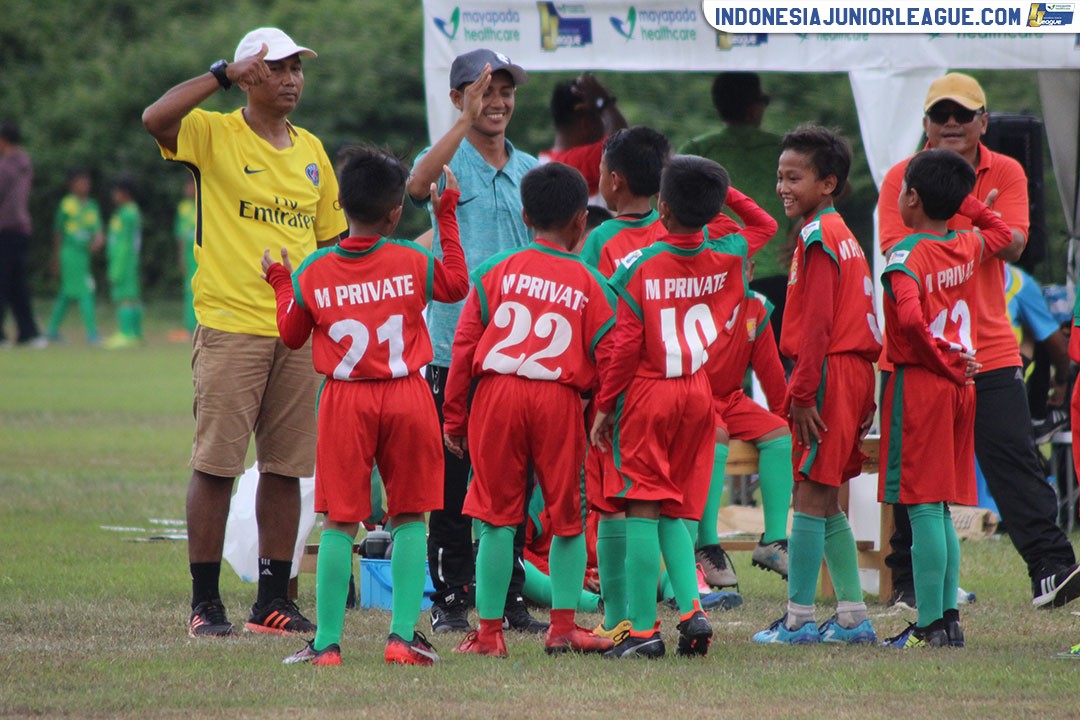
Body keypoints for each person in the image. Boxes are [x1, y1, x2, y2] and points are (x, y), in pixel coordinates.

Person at [142, 26, 348, 638]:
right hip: (231, 325)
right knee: (217, 465)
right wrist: (220, 74)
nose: (290, 79)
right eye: (278, 67)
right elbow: (155, 118)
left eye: (297, 69)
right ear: (251, 74)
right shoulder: (215, 131)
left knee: (286, 469)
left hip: (297, 332)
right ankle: (205, 603)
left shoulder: (312, 150)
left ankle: (270, 600)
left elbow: (333, 243)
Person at [877, 72, 1080, 610]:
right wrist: (971, 217)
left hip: (982, 350)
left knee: (1011, 458)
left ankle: (1052, 568)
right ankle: (909, 585)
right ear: (923, 123)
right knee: (915, 481)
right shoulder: (900, 175)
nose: (950, 123)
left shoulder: (1006, 169)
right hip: (925, 356)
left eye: (962, 114)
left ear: (983, 122)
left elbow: (1011, 247)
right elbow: (906, 248)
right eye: (940, 114)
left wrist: (956, 208)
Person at [266, 146, 468, 667]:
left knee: (338, 520)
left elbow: (290, 334)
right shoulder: (411, 258)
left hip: (345, 399)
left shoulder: (314, 270)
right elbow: (456, 285)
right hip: (407, 395)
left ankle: (327, 643)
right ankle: (402, 636)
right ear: (396, 212)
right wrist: (445, 216)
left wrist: (279, 282)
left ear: (339, 202)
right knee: (408, 516)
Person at [442, 163, 616, 658]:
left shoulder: (494, 271)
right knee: (566, 518)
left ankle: (490, 634)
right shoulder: (589, 281)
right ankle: (562, 627)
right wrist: (602, 409)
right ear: (582, 222)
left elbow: (463, 349)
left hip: (497, 395)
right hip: (558, 399)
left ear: (524, 215)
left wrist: (455, 417)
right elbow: (611, 353)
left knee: (496, 518)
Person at [406, 48, 545, 635]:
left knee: (511, 482)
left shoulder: (531, 169)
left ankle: (509, 597)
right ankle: (453, 599)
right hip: (451, 350)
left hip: (518, 352)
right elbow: (414, 187)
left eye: (505, 91)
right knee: (451, 483)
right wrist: (463, 123)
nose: (498, 102)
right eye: (484, 90)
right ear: (458, 97)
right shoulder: (445, 161)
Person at [590, 155, 749, 659]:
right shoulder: (728, 255)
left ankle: (640, 630)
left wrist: (605, 407)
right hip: (697, 392)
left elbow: (624, 346)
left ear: (661, 205)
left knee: (640, 505)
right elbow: (760, 224)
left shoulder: (638, 265)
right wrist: (722, 192)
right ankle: (691, 610)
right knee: (676, 512)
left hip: (648, 390)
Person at [878, 149, 1012, 649]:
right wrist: (968, 203)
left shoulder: (904, 254)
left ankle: (930, 623)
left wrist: (938, 358)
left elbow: (910, 319)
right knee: (938, 504)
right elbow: (1001, 233)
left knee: (922, 507)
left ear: (911, 197)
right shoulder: (966, 243)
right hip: (963, 384)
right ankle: (948, 619)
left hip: (925, 381)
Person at [753, 126, 880, 646]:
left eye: (794, 177)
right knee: (826, 499)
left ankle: (799, 618)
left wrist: (801, 393)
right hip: (849, 371)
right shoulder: (842, 233)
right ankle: (851, 616)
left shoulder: (819, 236)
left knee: (808, 494)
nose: (783, 186)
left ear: (827, 183)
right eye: (780, 176)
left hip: (826, 371)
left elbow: (820, 324)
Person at [702, 258, 792, 581]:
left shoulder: (756, 307)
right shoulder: (696, 302)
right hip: (695, 397)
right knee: (718, 434)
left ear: (752, 270)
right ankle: (706, 545)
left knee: (779, 433)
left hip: (732, 399)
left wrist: (787, 417)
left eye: (746, 267)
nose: (740, 274)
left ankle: (774, 540)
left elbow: (772, 374)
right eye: (728, 267)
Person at [680, 72, 790, 338]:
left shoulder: (696, 152)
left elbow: (669, 204)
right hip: (778, 271)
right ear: (754, 108)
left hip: (718, 273)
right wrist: (802, 226)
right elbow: (836, 186)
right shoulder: (785, 149)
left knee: (726, 365)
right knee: (781, 366)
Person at [1003, 263, 1070, 441]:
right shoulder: (1017, 281)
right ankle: (1038, 418)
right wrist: (1062, 381)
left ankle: (1037, 419)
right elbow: (1059, 348)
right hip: (1002, 395)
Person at [539, 74, 627, 203]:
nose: (603, 122)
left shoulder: (542, 162)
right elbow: (624, 143)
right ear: (584, 118)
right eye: (599, 114)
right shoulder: (580, 160)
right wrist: (605, 101)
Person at [45, 168, 103, 345]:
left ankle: (52, 330)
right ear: (71, 185)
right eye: (80, 181)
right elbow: (58, 233)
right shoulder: (66, 204)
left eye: (87, 181)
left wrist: (99, 240)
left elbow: (98, 231)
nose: (85, 185)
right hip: (69, 253)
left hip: (84, 255)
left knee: (67, 293)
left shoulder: (92, 205)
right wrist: (56, 258)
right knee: (86, 291)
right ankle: (92, 333)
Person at [0, 120, 45, 348]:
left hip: (5, 227)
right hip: (22, 228)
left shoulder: (6, 167)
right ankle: (28, 332)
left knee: (4, 281)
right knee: (17, 282)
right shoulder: (25, 164)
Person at [103, 176, 143, 349]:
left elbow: (125, 243)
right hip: (126, 261)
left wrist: (117, 267)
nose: (114, 195)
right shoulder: (127, 212)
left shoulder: (128, 213)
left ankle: (126, 333)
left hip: (124, 262)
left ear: (125, 193)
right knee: (131, 296)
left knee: (125, 297)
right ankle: (135, 333)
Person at [170, 176, 198, 342]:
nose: (187, 189)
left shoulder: (205, 202)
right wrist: (181, 256)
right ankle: (189, 327)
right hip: (189, 255)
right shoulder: (183, 207)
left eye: (190, 185)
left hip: (203, 254)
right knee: (189, 290)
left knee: (200, 288)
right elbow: (180, 234)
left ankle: (198, 325)